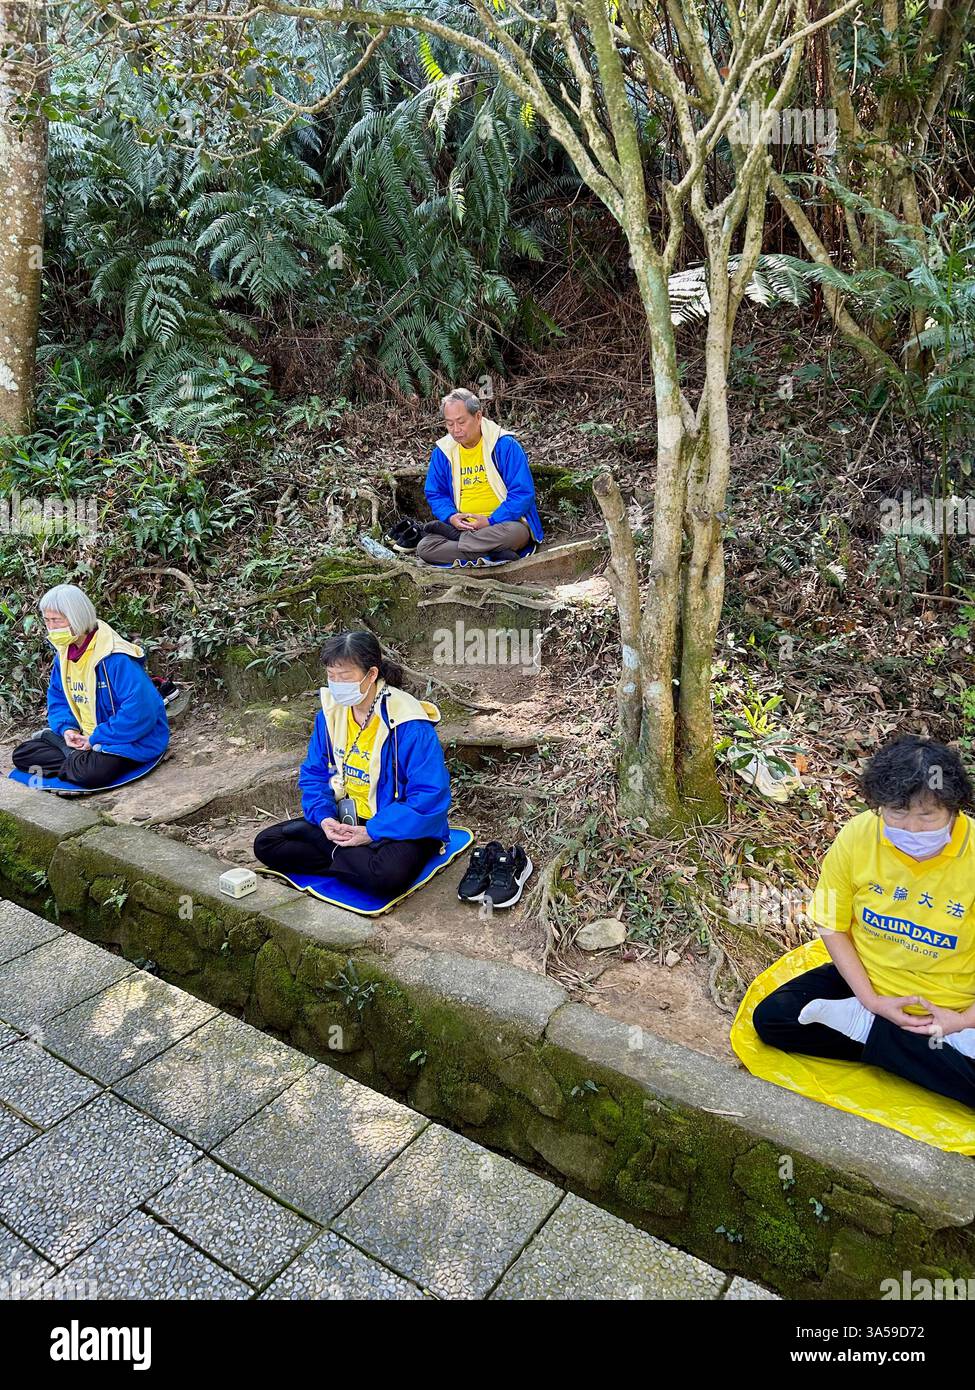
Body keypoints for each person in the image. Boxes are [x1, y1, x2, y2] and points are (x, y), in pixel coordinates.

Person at [752, 734, 975, 1109]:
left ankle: (869, 1032)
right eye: (898, 813)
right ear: (879, 806)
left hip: (954, 1004)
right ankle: (897, 1039)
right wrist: (870, 1000)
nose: (913, 830)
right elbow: (832, 924)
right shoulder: (859, 835)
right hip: (869, 983)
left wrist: (962, 1020)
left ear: (954, 808)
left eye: (928, 815)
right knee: (774, 1020)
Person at [254, 630, 452, 898]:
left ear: (371, 674)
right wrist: (324, 819)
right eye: (330, 676)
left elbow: (429, 796)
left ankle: (344, 854)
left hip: (399, 826)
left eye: (344, 677)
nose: (336, 685)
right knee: (266, 844)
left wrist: (372, 831)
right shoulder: (330, 715)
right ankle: (350, 856)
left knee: (387, 876)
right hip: (346, 817)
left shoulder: (409, 723)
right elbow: (315, 773)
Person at [11, 584, 169, 789]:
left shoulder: (115, 657)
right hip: (84, 737)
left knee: (91, 773)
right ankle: (74, 756)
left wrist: (96, 738)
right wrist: (67, 730)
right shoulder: (64, 654)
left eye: (57, 620)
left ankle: (76, 759)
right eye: (47, 620)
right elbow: (58, 698)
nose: (51, 628)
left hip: (122, 739)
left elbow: (140, 712)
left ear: (77, 618)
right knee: (23, 754)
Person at [416, 388, 544, 566]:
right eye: (449, 424)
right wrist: (451, 516)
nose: (455, 430)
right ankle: (493, 553)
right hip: (463, 525)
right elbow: (436, 493)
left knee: (516, 534)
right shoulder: (443, 452)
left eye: (461, 422)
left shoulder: (504, 445)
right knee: (425, 547)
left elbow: (523, 493)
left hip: (502, 524)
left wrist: (491, 520)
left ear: (477, 416)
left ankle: (462, 542)